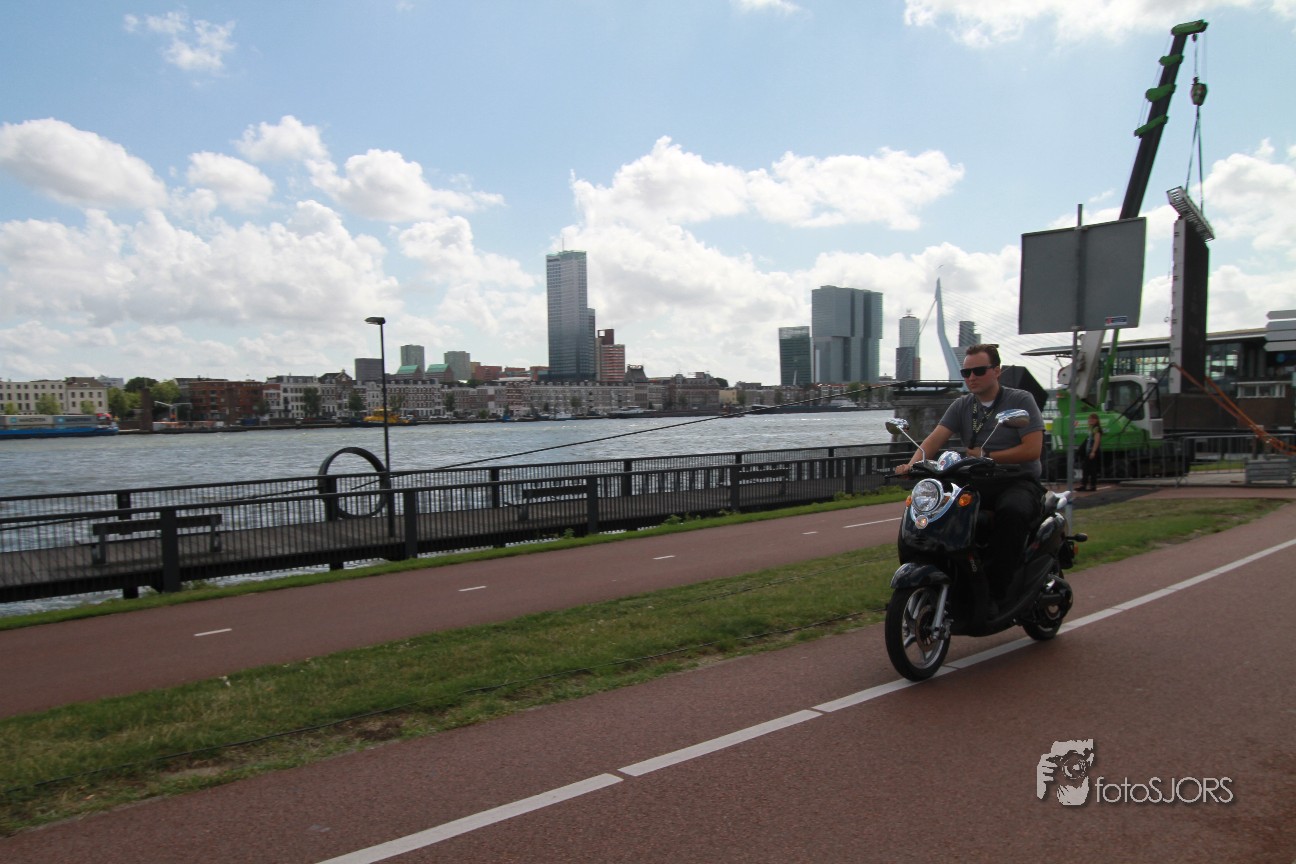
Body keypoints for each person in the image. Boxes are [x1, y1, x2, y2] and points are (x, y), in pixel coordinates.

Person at [894, 344, 1046, 598]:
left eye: (979, 371)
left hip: (1016, 480)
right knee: (941, 514)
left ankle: (998, 591)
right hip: (977, 480)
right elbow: (934, 440)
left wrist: (988, 456)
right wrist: (912, 465)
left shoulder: (1020, 400)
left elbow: (1032, 449)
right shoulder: (962, 405)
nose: (972, 377)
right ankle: (954, 575)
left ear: (997, 371)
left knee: (1012, 513)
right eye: (966, 373)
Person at [1080, 412, 1102, 491]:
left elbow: (1097, 441)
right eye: (1089, 419)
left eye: (1092, 419)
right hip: (1089, 451)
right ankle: (1085, 485)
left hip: (1092, 451)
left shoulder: (1096, 429)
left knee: (1091, 469)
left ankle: (1091, 485)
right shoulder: (1091, 429)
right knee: (1086, 468)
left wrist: (1093, 451)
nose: (1090, 420)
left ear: (1096, 420)